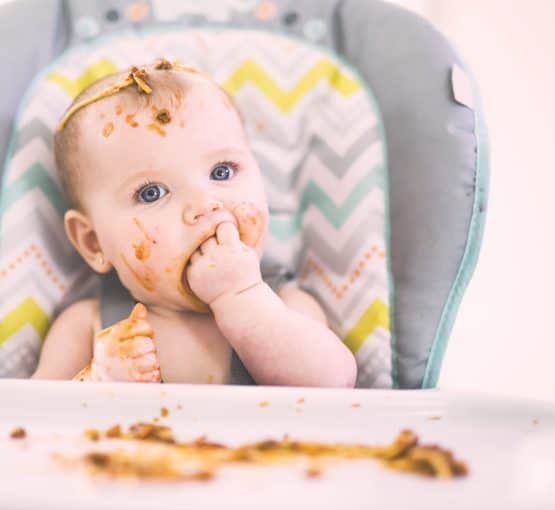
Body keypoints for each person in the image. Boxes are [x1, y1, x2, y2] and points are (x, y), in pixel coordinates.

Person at [31, 58, 356, 387]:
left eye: (222, 172)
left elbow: (335, 386)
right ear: (93, 242)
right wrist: (97, 382)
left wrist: (243, 297)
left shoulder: (285, 307)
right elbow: (28, 418)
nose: (204, 206)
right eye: (152, 193)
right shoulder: (88, 326)